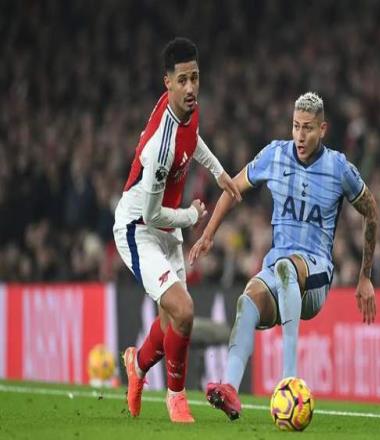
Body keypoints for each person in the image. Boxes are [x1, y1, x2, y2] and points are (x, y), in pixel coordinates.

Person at [189, 92, 378, 420]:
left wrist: (365, 276)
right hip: (278, 268)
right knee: (247, 299)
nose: (300, 136)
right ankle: (230, 387)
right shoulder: (274, 155)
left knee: (288, 267)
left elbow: (371, 211)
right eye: (295, 126)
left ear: (322, 129)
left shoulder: (338, 168)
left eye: (308, 128)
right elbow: (233, 188)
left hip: (315, 275)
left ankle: (289, 380)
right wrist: (208, 234)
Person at [113, 37, 241, 423]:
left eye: (195, 78)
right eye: (182, 80)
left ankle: (137, 365)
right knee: (184, 311)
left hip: (167, 223)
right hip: (140, 228)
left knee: (172, 322)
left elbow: (193, 140)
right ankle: (176, 398)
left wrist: (219, 172)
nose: (190, 88)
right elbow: (152, 214)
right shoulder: (158, 148)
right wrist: (190, 216)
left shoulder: (189, 109)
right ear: (166, 82)